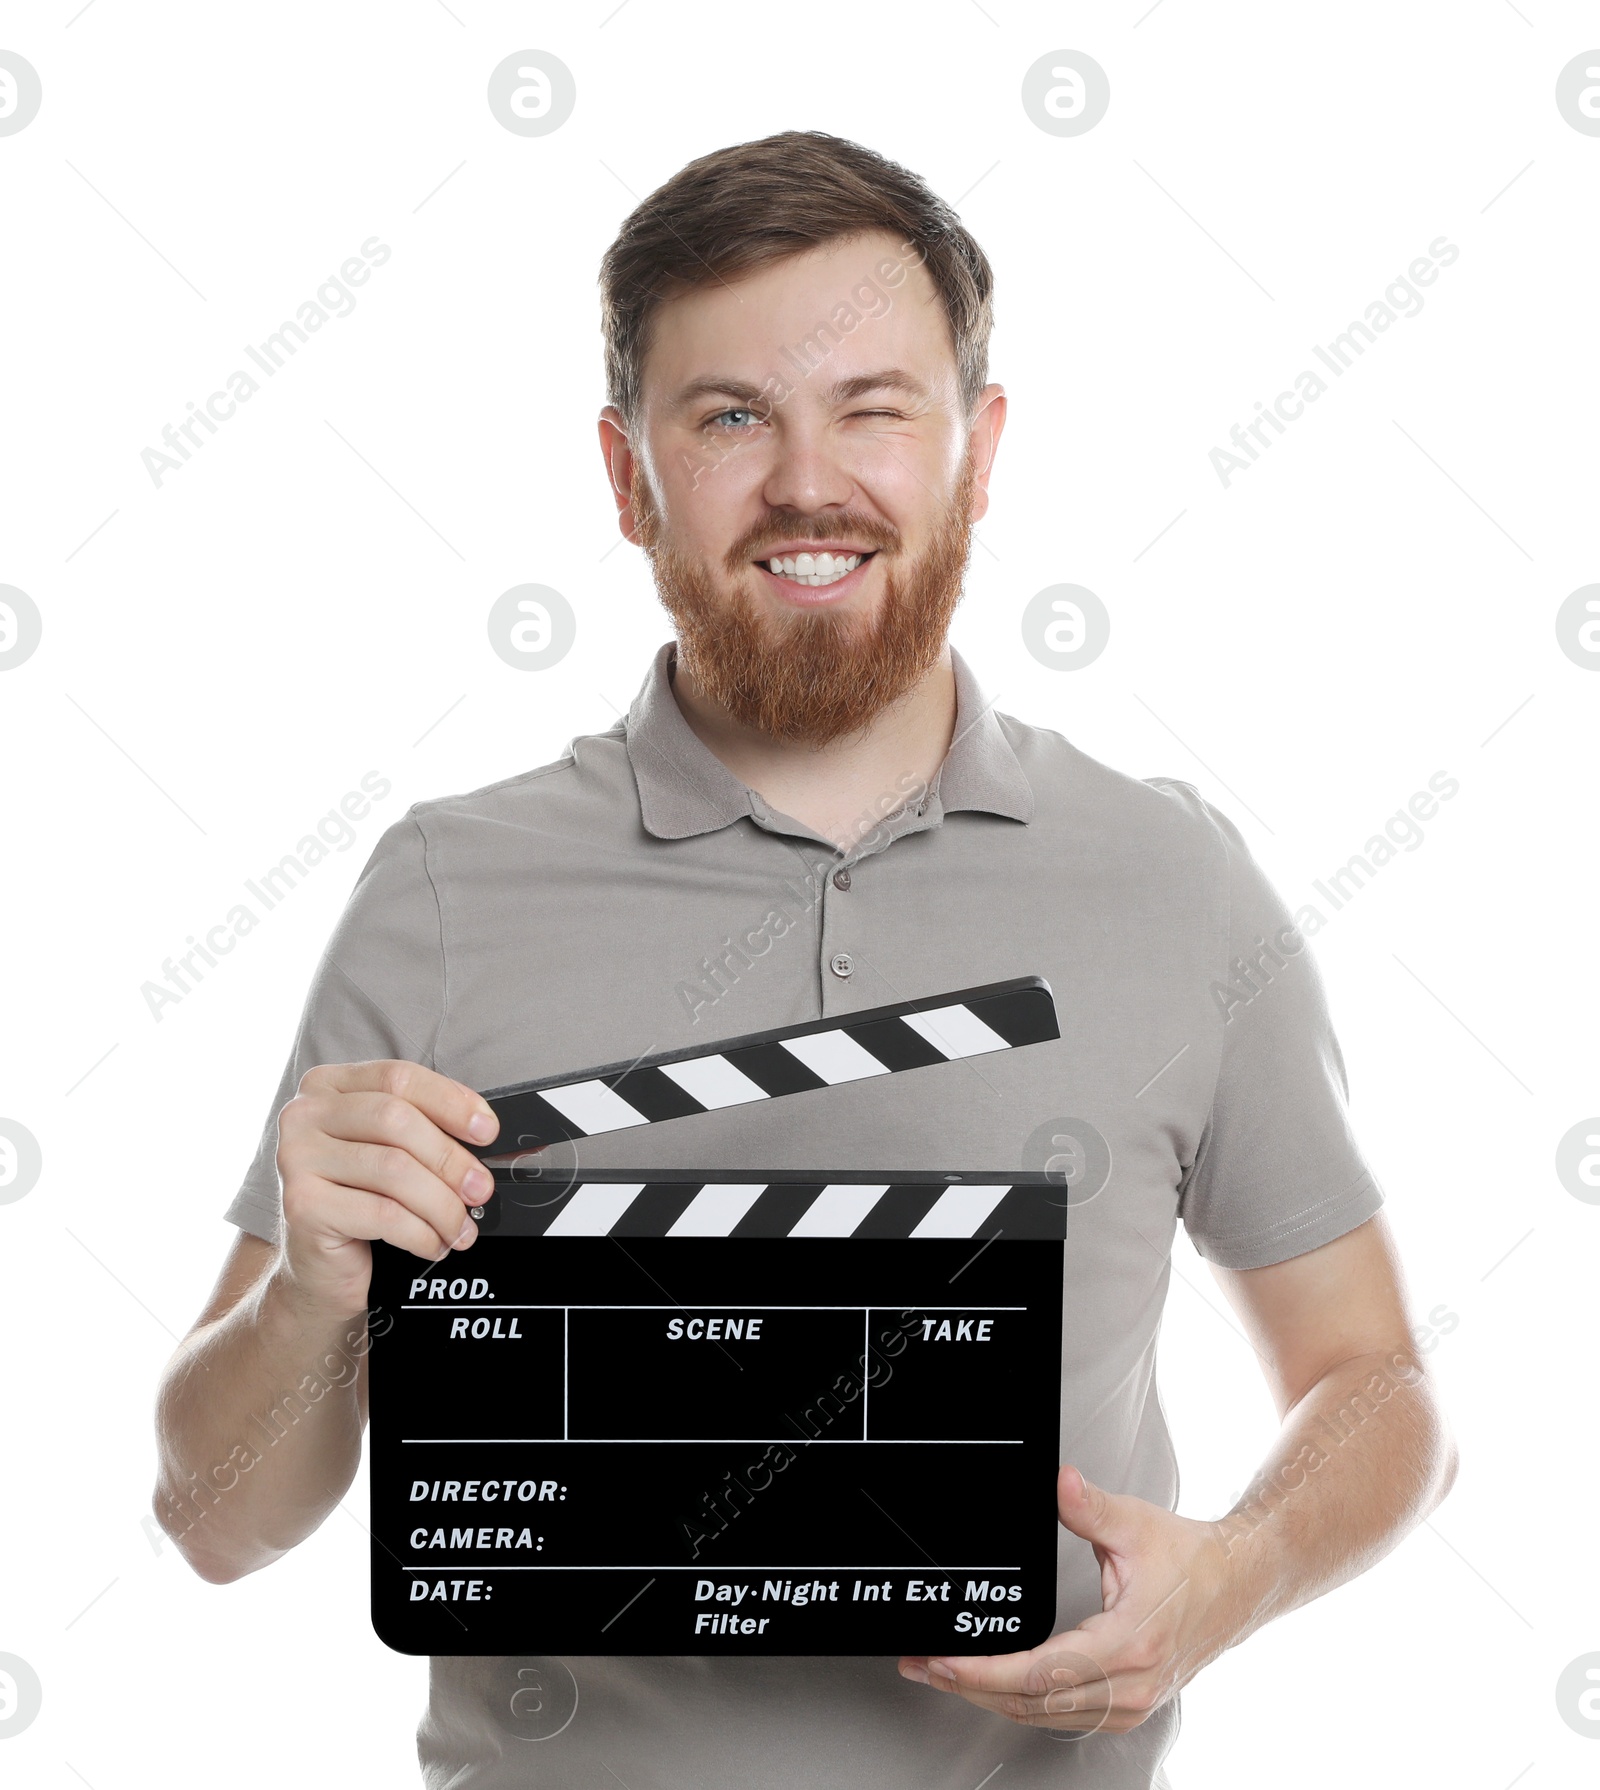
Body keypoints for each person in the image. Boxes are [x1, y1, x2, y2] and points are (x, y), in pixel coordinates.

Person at [153, 129, 1457, 1788]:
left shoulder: (1171, 878)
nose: (806, 482)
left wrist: (1232, 1578)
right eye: (730, 417)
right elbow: (209, 1518)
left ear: (979, 453)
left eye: (873, 407)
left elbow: (1376, 1381)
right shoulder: (446, 886)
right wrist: (316, 1292)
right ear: (627, 475)